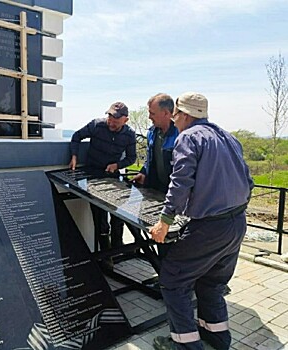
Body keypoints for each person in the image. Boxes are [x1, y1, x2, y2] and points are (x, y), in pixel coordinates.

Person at [150, 92, 254, 350]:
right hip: (237, 223)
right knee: (211, 283)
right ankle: (217, 339)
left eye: (175, 116)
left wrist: (165, 221)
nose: (174, 121)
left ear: (184, 115)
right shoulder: (228, 137)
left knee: (173, 280)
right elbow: (248, 181)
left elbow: (180, 181)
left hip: (210, 227)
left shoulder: (189, 137)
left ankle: (185, 345)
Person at [69, 102, 136, 264]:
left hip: (112, 176)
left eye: (116, 120)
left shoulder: (129, 134)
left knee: (118, 215)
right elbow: (76, 136)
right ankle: (106, 258)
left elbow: (131, 158)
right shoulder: (96, 125)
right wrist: (74, 156)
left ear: (125, 120)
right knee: (100, 219)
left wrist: (117, 165)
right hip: (92, 175)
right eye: (110, 117)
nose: (111, 122)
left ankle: (117, 251)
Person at [110, 93, 179, 249]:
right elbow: (150, 158)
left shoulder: (180, 135)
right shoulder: (152, 132)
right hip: (155, 190)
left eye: (152, 113)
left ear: (167, 113)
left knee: (171, 238)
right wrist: (143, 172)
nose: (149, 117)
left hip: (174, 194)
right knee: (155, 233)